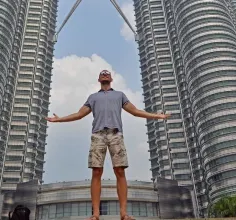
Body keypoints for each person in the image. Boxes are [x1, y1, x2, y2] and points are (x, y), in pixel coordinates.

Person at [46, 70, 170, 220]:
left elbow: (135, 111)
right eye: (102, 73)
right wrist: (59, 120)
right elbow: (79, 114)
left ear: (111, 78)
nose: (105, 74)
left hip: (115, 135)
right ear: (98, 79)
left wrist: (157, 116)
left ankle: (123, 213)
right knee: (96, 172)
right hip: (98, 135)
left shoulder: (119, 95)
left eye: (107, 73)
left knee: (120, 171)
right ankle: (96, 214)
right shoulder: (93, 97)